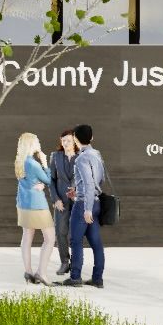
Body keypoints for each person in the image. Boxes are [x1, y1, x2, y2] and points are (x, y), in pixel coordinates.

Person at [61, 123, 108, 287]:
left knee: (75, 241)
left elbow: (88, 183)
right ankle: (97, 279)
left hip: (83, 205)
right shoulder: (97, 154)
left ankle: (75, 278)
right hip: (96, 202)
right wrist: (77, 190)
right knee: (96, 243)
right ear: (92, 138)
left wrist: (86, 207)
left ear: (75, 139)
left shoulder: (81, 159)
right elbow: (99, 181)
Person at [12, 131, 56, 283]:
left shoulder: (21, 162)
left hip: (23, 204)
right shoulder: (33, 163)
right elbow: (48, 180)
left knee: (27, 237)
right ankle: (41, 273)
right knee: (50, 238)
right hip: (37, 205)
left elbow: (32, 181)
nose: (39, 143)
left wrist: (41, 183)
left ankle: (28, 272)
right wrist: (45, 163)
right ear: (31, 144)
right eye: (36, 141)